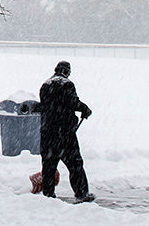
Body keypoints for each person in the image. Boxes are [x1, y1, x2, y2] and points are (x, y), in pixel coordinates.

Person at [38, 60, 94, 201]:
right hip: (64, 132)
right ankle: (81, 193)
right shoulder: (66, 84)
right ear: (66, 71)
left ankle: (48, 194)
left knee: (49, 165)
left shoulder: (45, 85)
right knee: (75, 164)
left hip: (47, 132)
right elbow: (72, 102)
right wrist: (85, 109)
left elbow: (45, 106)